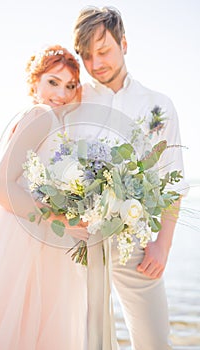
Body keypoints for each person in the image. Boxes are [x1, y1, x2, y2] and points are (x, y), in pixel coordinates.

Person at [0, 45, 116, 350]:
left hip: (24, 234)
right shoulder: (39, 114)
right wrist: (62, 219)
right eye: (53, 82)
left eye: (70, 86)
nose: (61, 93)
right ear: (34, 83)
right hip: (23, 241)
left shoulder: (44, 119)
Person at [73, 6, 188, 350]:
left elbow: (172, 181)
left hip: (134, 246)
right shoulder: (73, 100)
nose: (96, 64)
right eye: (87, 56)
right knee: (83, 340)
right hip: (77, 244)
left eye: (104, 51)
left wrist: (162, 245)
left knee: (154, 340)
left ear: (124, 42)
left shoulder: (158, 106)